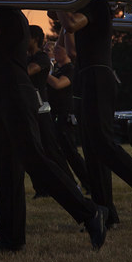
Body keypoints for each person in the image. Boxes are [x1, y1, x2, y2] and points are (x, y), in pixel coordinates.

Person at [0, 0, 108, 254]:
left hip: (16, 95)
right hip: (6, 96)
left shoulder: (10, 16)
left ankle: (89, 212)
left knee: (35, 160)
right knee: (6, 170)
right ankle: (11, 239)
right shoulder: (6, 15)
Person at [58, 0, 132, 231]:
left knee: (102, 143)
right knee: (92, 148)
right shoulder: (88, 7)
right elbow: (73, 50)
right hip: (86, 76)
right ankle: (106, 213)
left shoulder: (96, 3)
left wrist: (59, 1)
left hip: (98, 76)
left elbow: (71, 24)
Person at [27, 25, 76, 196]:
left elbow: (28, 72)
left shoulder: (42, 58)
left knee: (53, 150)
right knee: (32, 152)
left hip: (44, 110)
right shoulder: (27, 57)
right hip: (30, 110)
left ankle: (71, 184)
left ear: (34, 39)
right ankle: (41, 188)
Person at [46, 40, 89, 193]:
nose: (54, 52)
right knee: (62, 152)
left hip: (66, 115)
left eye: (57, 49)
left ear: (66, 52)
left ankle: (89, 182)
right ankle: (74, 183)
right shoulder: (57, 69)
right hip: (55, 115)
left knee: (71, 152)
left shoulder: (70, 69)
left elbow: (59, 84)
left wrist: (44, 72)